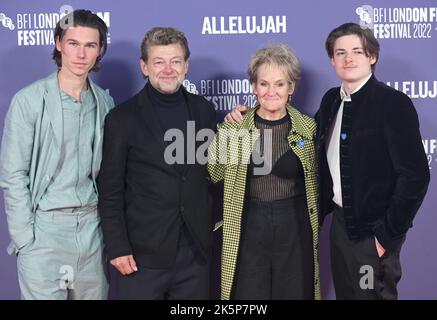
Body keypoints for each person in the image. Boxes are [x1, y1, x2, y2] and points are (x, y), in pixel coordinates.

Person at [0, 10, 114, 299]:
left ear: (100, 50)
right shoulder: (28, 101)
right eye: (73, 43)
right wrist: (26, 240)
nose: (81, 54)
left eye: (90, 45)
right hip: (45, 232)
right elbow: (13, 173)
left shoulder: (105, 102)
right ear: (58, 43)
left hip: (92, 231)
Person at [97, 27, 217, 300]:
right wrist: (117, 247)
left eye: (175, 61)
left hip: (195, 254)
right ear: (144, 66)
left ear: (186, 66)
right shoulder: (122, 118)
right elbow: (110, 189)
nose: (168, 69)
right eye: (158, 62)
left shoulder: (204, 110)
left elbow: (215, 171)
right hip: (141, 256)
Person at [316, 22, 430, 299]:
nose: (349, 58)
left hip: (373, 234)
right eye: (340, 52)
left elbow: (415, 177)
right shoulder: (331, 100)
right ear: (332, 60)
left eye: (357, 51)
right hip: (340, 227)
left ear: (372, 56)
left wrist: (385, 237)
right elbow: (306, 140)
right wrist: (251, 114)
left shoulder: (392, 103)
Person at [208, 44, 321, 300]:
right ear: (253, 86)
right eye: (264, 84)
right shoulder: (234, 128)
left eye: (280, 84)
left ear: (292, 88)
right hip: (249, 224)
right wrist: (224, 134)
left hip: (294, 226)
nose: (271, 92)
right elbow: (212, 175)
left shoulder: (309, 128)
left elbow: (319, 185)